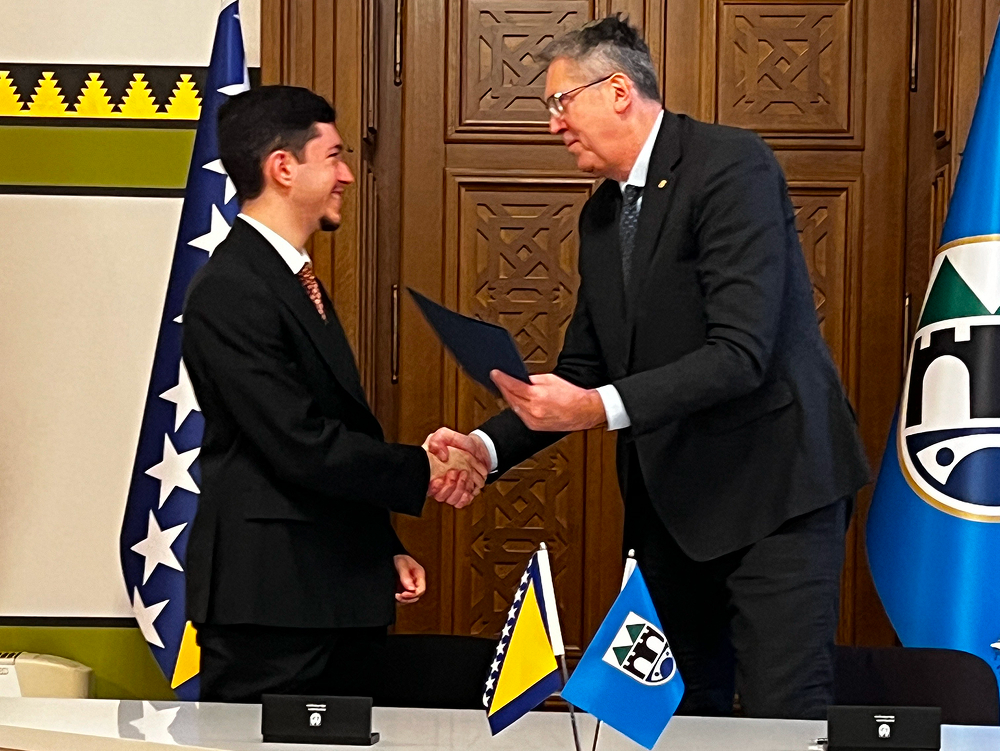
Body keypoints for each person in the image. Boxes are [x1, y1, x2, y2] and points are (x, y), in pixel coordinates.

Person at [428, 16, 869, 719]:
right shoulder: (603, 215)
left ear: (618, 91)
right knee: (673, 716)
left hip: (774, 493)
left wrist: (595, 408)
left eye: (560, 102)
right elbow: (582, 367)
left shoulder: (731, 166)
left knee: (781, 713)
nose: (552, 124)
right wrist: (485, 448)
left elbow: (741, 354)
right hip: (672, 508)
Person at [182, 85, 486, 703]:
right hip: (271, 604)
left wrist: (379, 549)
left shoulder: (289, 278)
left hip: (325, 590)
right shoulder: (233, 286)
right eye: (334, 157)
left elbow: (331, 428)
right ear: (283, 167)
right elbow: (299, 444)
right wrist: (424, 469)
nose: (347, 175)